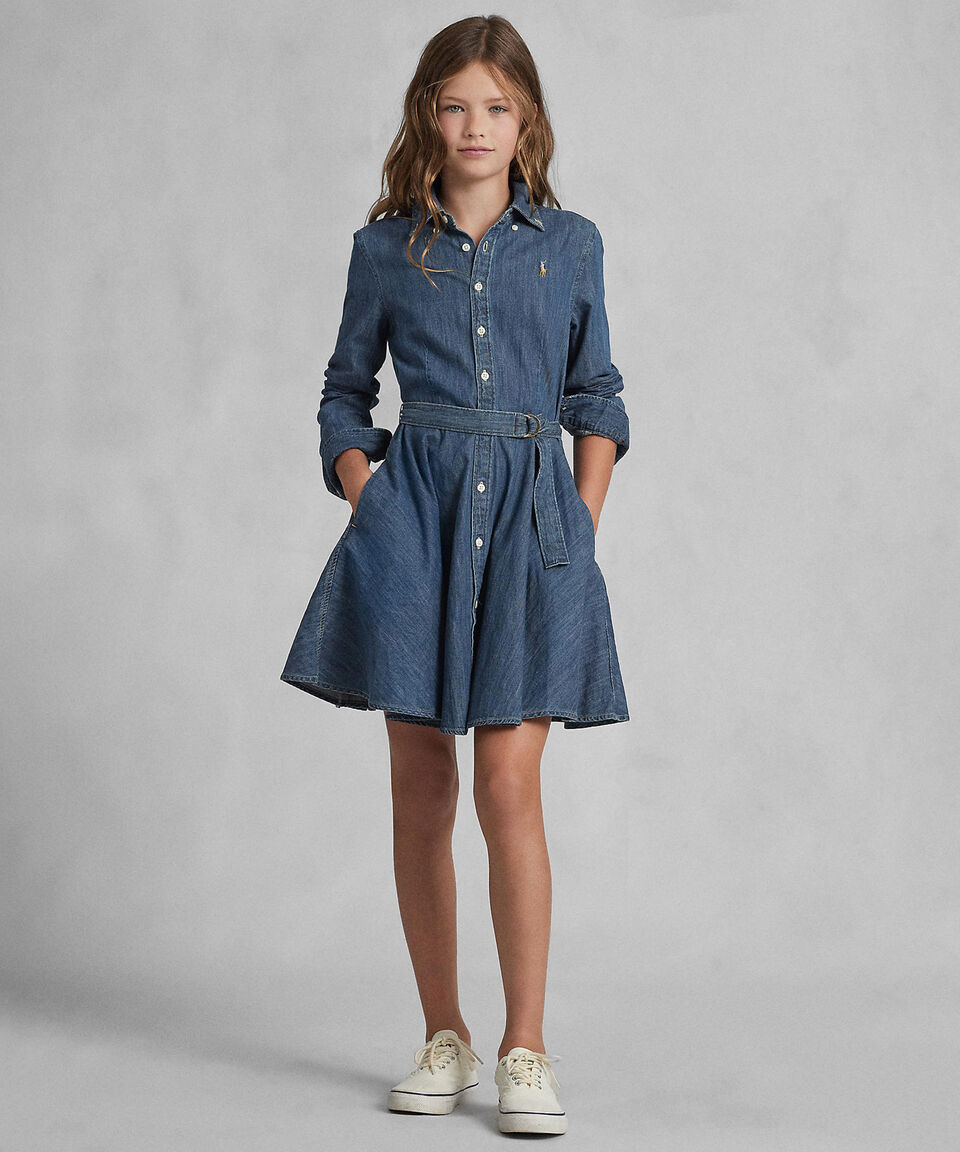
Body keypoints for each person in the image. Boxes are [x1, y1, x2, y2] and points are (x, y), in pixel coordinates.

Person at [280, 14, 632, 1136]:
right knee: (421, 786)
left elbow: (597, 395)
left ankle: (526, 1047)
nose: (475, 125)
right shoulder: (386, 249)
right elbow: (345, 392)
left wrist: (578, 524)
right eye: (454, 105)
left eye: (496, 106)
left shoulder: (569, 244)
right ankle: (446, 1034)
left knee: (508, 786)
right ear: (426, 116)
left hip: (534, 533)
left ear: (526, 122)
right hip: (414, 534)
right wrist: (367, 494)